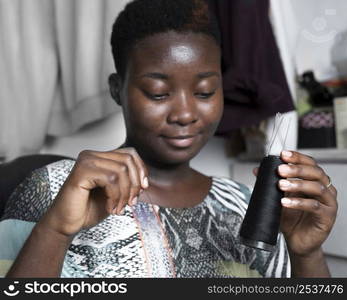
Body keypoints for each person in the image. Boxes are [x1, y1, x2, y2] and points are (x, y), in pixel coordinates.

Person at [2, 0, 337, 278]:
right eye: (158, 93)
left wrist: (306, 254)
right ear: (118, 90)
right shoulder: (54, 188)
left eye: (205, 91)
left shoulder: (246, 205)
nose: (185, 114)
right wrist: (56, 230)